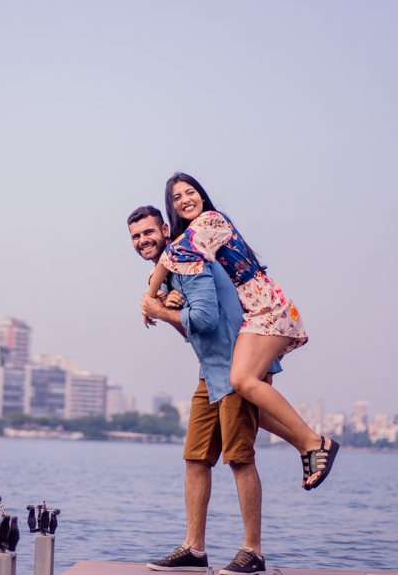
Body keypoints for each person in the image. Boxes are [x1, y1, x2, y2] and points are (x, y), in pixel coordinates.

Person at [145, 173, 338, 491]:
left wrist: (150, 300)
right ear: (172, 208)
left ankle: (315, 441)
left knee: (242, 381)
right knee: (250, 400)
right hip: (252, 315)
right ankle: (307, 445)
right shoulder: (189, 245)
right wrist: (168, 296)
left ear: (201, 196)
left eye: (190, 192)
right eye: (176, 198)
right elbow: (183, 272)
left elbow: (169, 258)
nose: (185, 200)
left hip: (268, 308)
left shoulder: (210, 220)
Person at [129, 205, 290, 575]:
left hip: (236, 367)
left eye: (148, 232)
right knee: (196, 458)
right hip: (210, 372)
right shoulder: (169, 273)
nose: (142, 241)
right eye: (135, 236)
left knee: (240, 458)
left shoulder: (189, 258)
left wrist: (159, 308)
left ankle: (253, 553)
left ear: (165, 230)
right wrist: (166, 304)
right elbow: (190, 331)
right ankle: (193, 549)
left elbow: (204, 319)